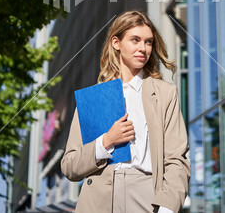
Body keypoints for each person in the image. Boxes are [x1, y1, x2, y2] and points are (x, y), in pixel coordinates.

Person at [61, 11, 190, 213]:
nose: (143, 48)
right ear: (116, 43)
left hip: (146, 197)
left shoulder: (165, 94)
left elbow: (176, 160)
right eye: (135, 40)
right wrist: (105, 142)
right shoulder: (94, 98)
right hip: (97, 202)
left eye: (148, 42)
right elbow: (69, 166)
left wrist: (167, 208)